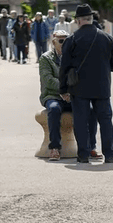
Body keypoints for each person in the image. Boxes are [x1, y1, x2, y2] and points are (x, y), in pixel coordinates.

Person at [59, 3, 113, 164]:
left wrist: (63, 88)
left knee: (81, 121)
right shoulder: (106, 37)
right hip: (102, 87)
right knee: (105, 120)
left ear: (78, 21)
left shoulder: (72, 40)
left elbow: (64, 67)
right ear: (91, 19)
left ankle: (83, 154)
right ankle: (109, 153)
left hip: (79, 87)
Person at [39, 29, 91, 161]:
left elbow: (82, 77)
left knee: (89, 110)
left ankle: (90, 146)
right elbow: (48, 80)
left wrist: (71, 92)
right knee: (54, 109)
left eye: (67, 41)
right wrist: (64, 90)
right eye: (61, 41)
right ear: (53, 42)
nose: (64, 44)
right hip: (52, 95)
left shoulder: (76, 57)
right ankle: (54, 147)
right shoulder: (46, 58)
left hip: (72, 95)